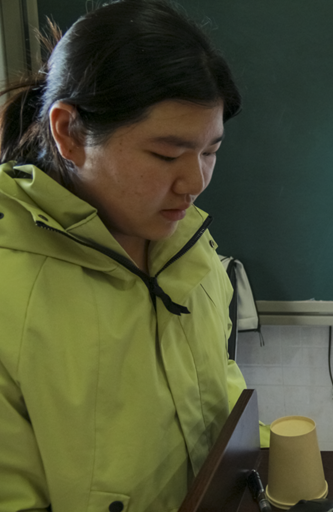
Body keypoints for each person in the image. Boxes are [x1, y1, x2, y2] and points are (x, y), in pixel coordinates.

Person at [0, 1, 247, 510]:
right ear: (69, 133)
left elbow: (219, 386)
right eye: (166, 154)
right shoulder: (10, 289)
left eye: (210, 152)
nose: (195, 182)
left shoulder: (188, 246)